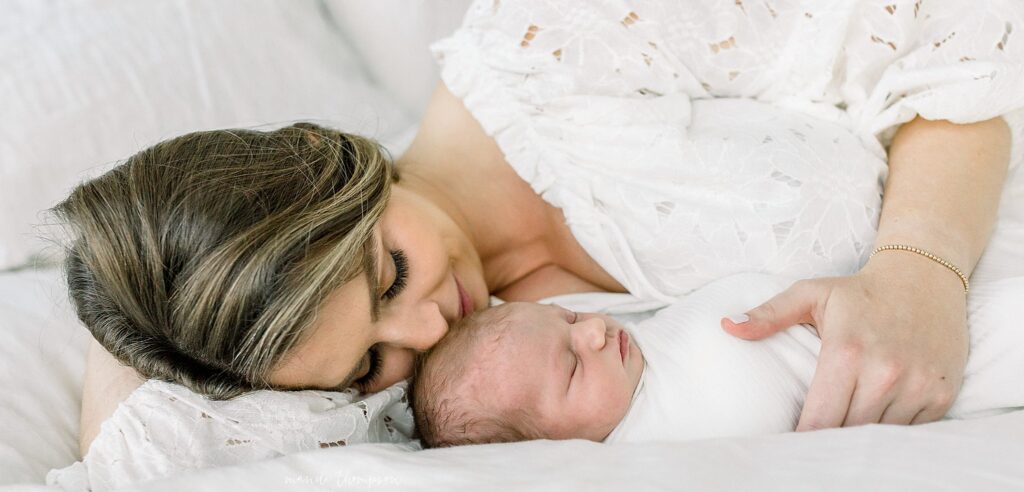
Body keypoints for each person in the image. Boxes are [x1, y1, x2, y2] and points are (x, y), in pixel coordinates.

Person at [65, 0, 1022, 458]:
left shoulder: (553, 42)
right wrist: (145, 314)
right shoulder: (453, 387)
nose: (427, 329)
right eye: (366, 363)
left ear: (335, 165)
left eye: (390, 274)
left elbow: (954, 37)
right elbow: (143, 472)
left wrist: (919, 268)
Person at [410, 273, 1024, 447]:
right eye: (571, 368)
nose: (595, 332)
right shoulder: (654, 442)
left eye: (569, 322)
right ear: (546, 448)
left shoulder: (639, 346)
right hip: (947, 363)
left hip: (910, 299)